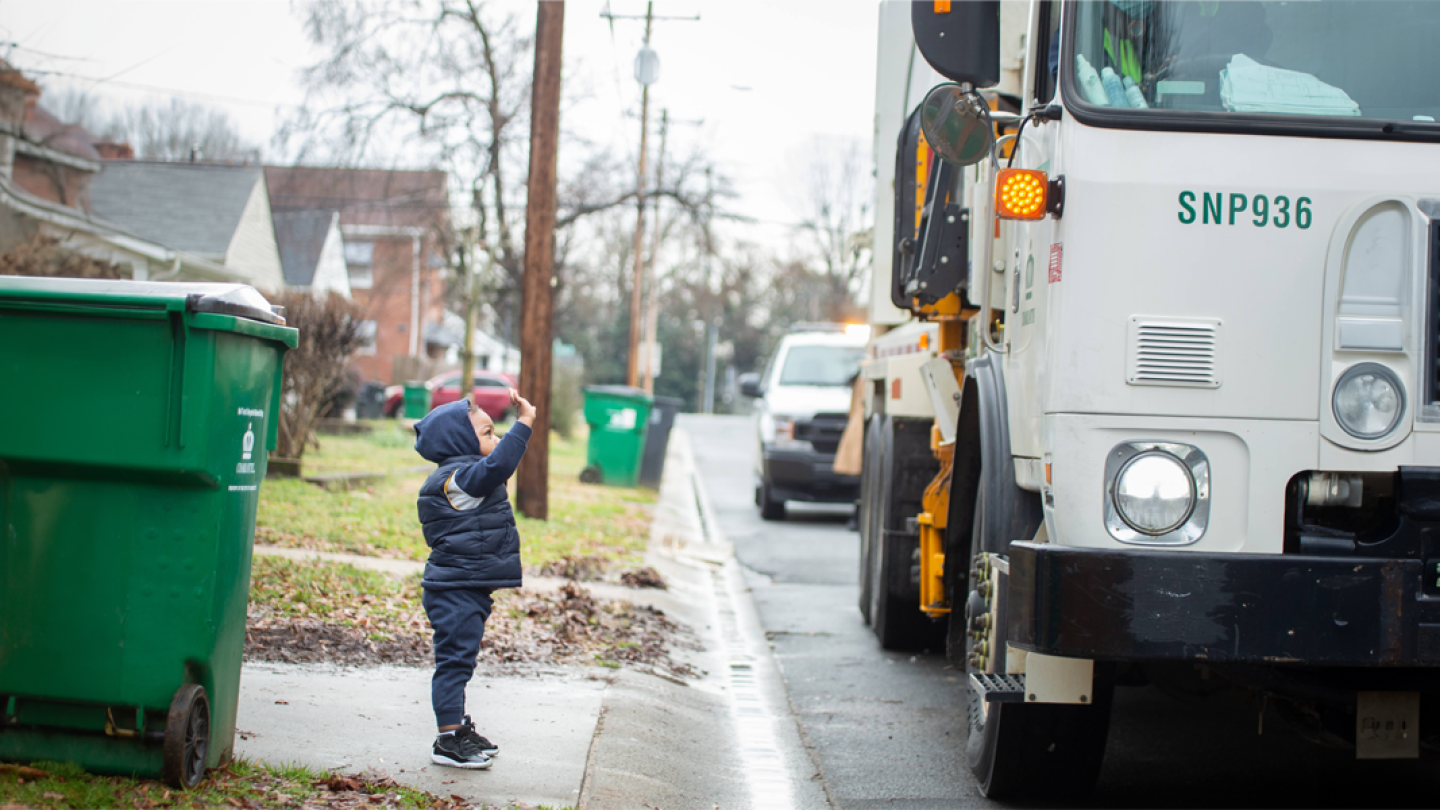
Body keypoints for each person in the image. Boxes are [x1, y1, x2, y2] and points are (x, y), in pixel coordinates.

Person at [412, 389, 537, 769]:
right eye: (487, 433)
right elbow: (498, 466)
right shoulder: (458, 482)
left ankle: (458, 727)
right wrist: (525, 423)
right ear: (460, 442)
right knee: (454, 663)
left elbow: (494, 468)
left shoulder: (464, 479)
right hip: (454, 590)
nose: (496, 440)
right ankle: (447, 739)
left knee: (461, 660)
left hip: (464, 587)